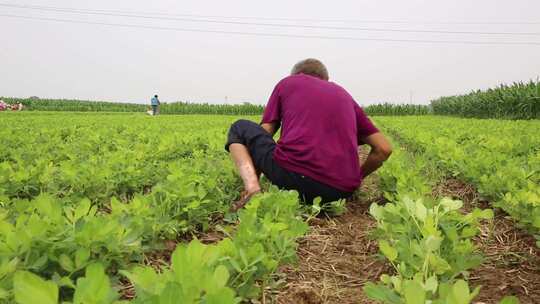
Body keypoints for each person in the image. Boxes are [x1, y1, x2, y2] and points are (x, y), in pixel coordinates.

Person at [225, 58, 392, 210]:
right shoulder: (344, 95)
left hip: (294, 179)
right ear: (326, 79)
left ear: (297, 74)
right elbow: (384, 148)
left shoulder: (289, 83)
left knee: (240, 128)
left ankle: (251, 187)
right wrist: (356, 180)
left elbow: (265, 132)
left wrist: (259, 172)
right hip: (340, 193)